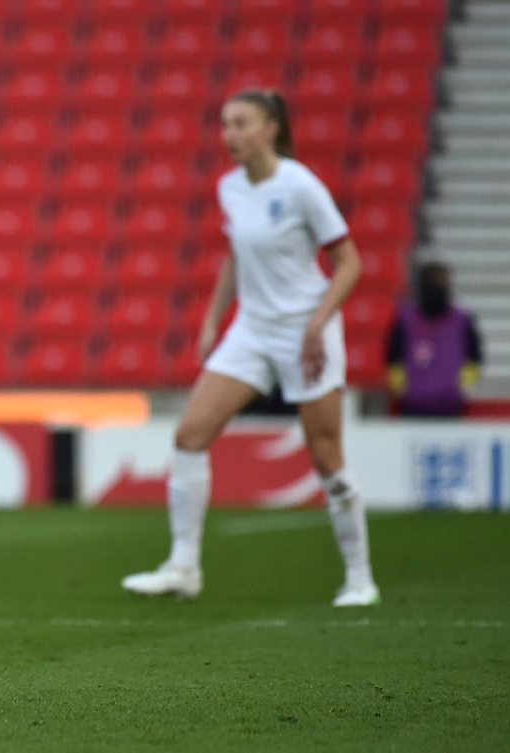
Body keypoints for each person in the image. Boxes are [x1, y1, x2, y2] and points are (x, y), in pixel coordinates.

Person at [121, 89, 380, 607]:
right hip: (254, 330)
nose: (230, 135)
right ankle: (184, 567)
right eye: (225, 124)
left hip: (307, 328)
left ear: (271, 128)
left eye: (241, 123)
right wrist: (215, 320)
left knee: (327, 456)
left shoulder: (302, 185)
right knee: (190, 433)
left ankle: (359, 579)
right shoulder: (231, 188)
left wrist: (319, 321)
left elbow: (349, 262)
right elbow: (237, 257)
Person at [387, 261, 482, 416]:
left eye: (443, 282)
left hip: (451, 406)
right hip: (413, 406)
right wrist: (403, 387)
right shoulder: (405, 319)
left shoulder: (462, 319)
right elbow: (392, 358)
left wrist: (460, 385)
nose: (439, 287)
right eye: (435, 281)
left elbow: (475, 357)